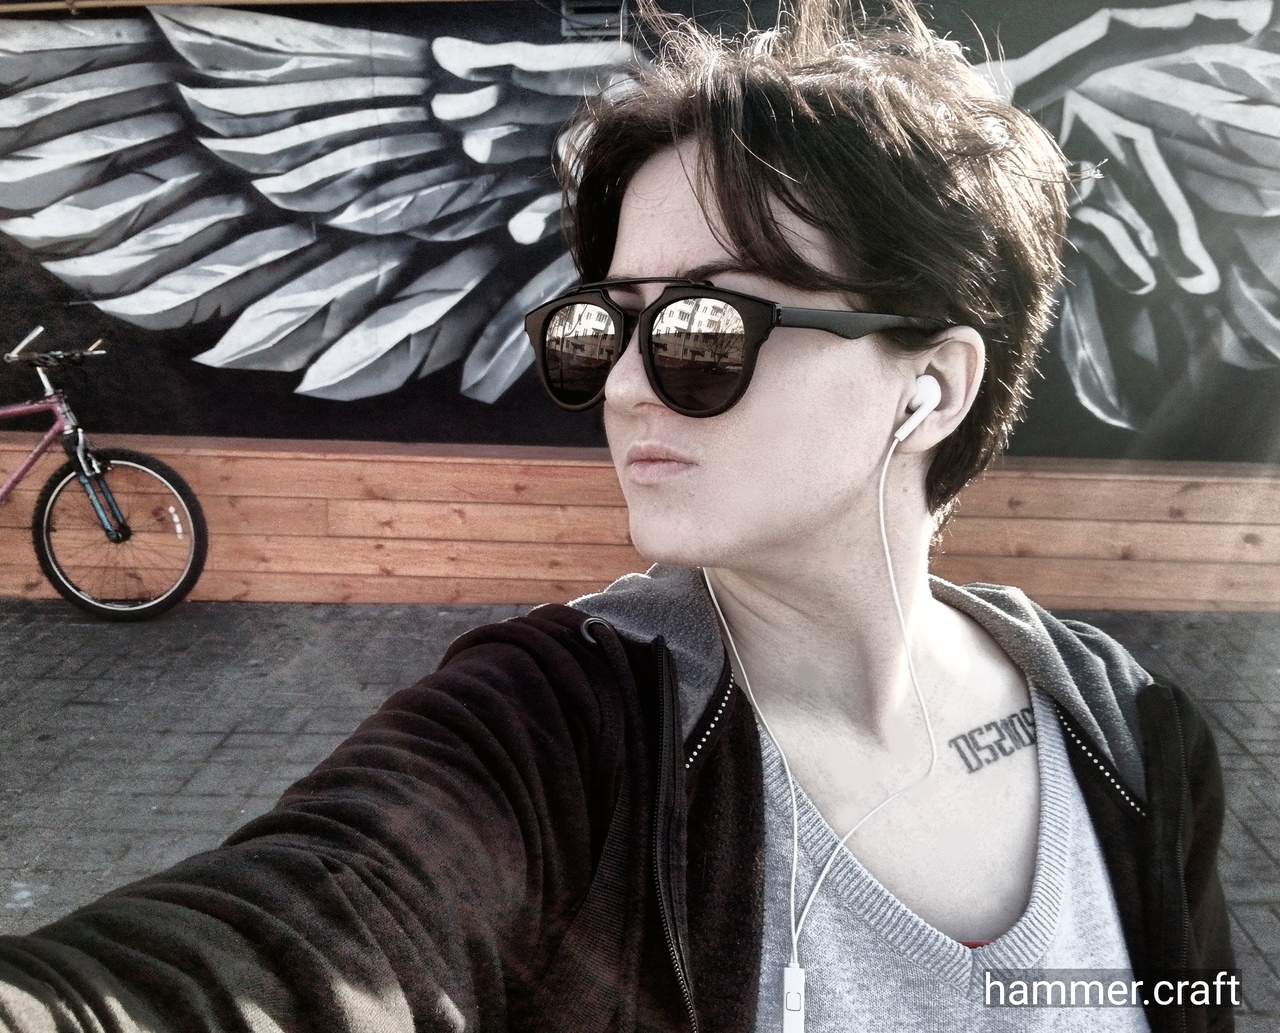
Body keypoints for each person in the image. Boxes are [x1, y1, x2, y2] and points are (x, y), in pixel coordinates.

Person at [0, 2, 1233, 1032]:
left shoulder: (1124, 731)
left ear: (929, 386)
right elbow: (282, 943)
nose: (627, 383)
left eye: (705, 322)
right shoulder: (558, 731)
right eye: (609, 322)